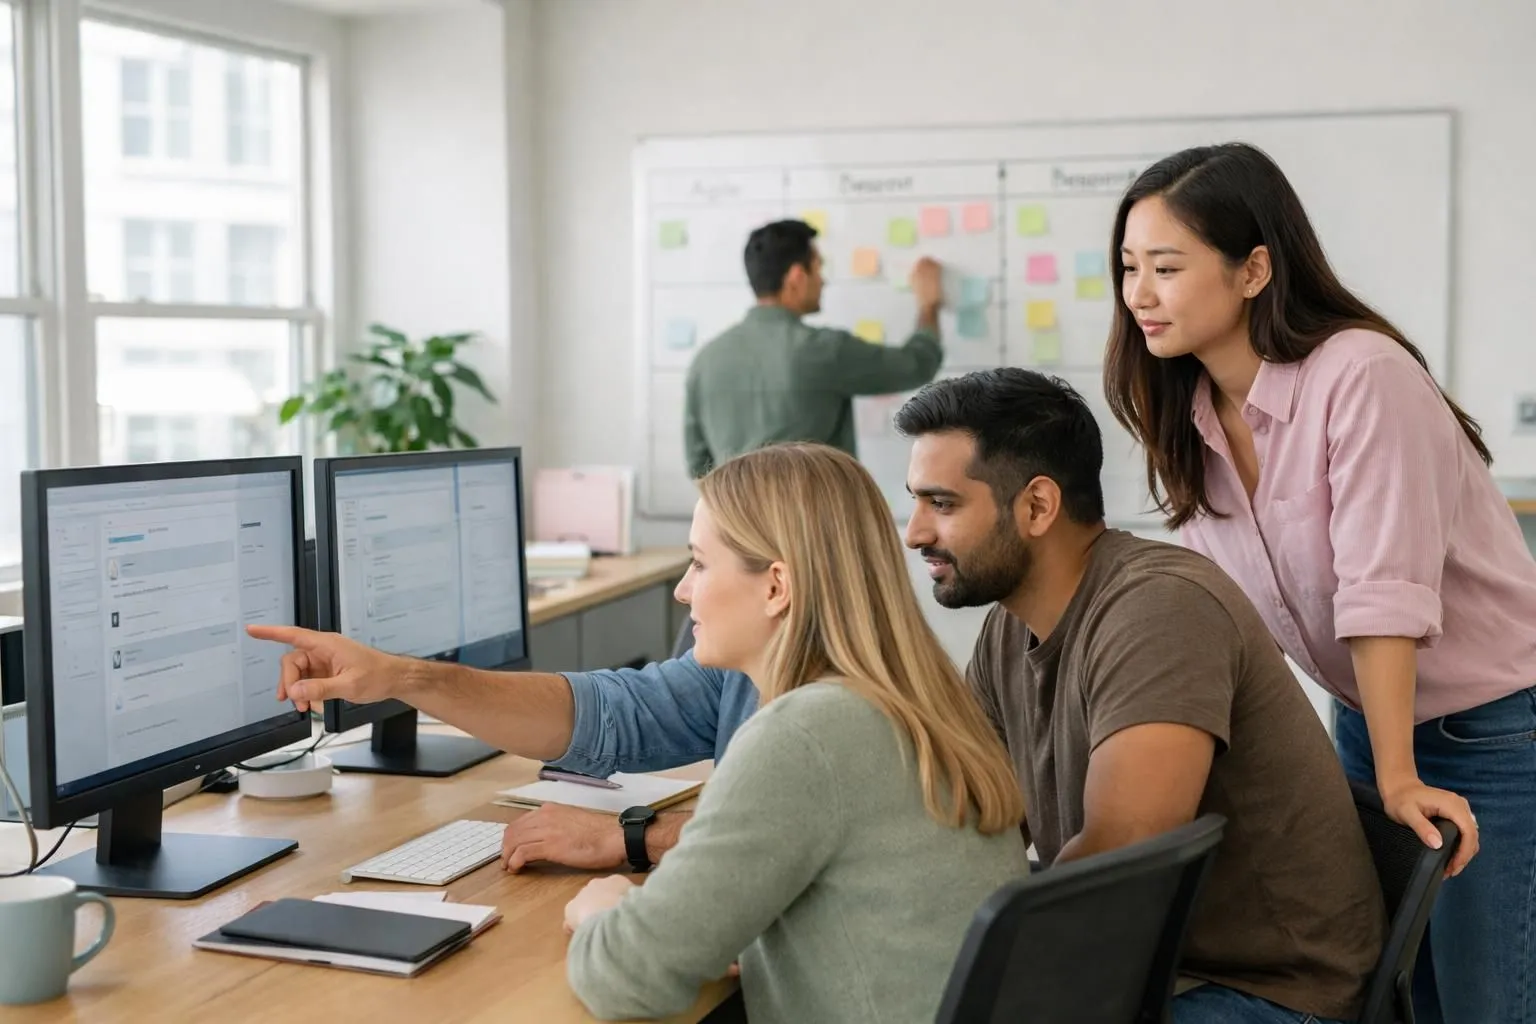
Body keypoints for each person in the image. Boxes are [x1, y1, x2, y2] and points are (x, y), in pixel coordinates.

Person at [267, 445, 1030, 1023]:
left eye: (699, 564)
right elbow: (614, 711)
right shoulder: (906, 694)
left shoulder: (810, 731)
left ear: (777, 586)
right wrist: (406, 676)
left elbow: (629, 976)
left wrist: (600, 905)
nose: (682, 589)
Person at [1103, 142, 1535, 1024]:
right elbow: (1215, 615)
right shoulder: (1190, 414)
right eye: (1128, 267)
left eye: (1167, 267)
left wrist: (1400, 775)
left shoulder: (1362, 376)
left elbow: (1383, 596)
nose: (1138, 294)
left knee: (1489, 1003)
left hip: (1494, 733)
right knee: (1403, 998)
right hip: (1369, 727)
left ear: (1254, 268)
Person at [893, 368, 1383, 1024]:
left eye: (942, 504)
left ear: (1037, 507)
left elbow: (1121, 863)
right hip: (1151, 972)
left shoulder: (1159, 608)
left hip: (1267, 993)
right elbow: (969, 821)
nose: (914, 533)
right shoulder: (1008, 631)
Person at [683, 218, 945, 478]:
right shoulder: (823, 350)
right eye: (818, 269)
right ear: (797, 277)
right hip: (816, 518)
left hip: (733, 519)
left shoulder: (705, 362)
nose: (823, 281)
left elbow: (698, 466)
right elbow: (917, 364)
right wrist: (928, 305)